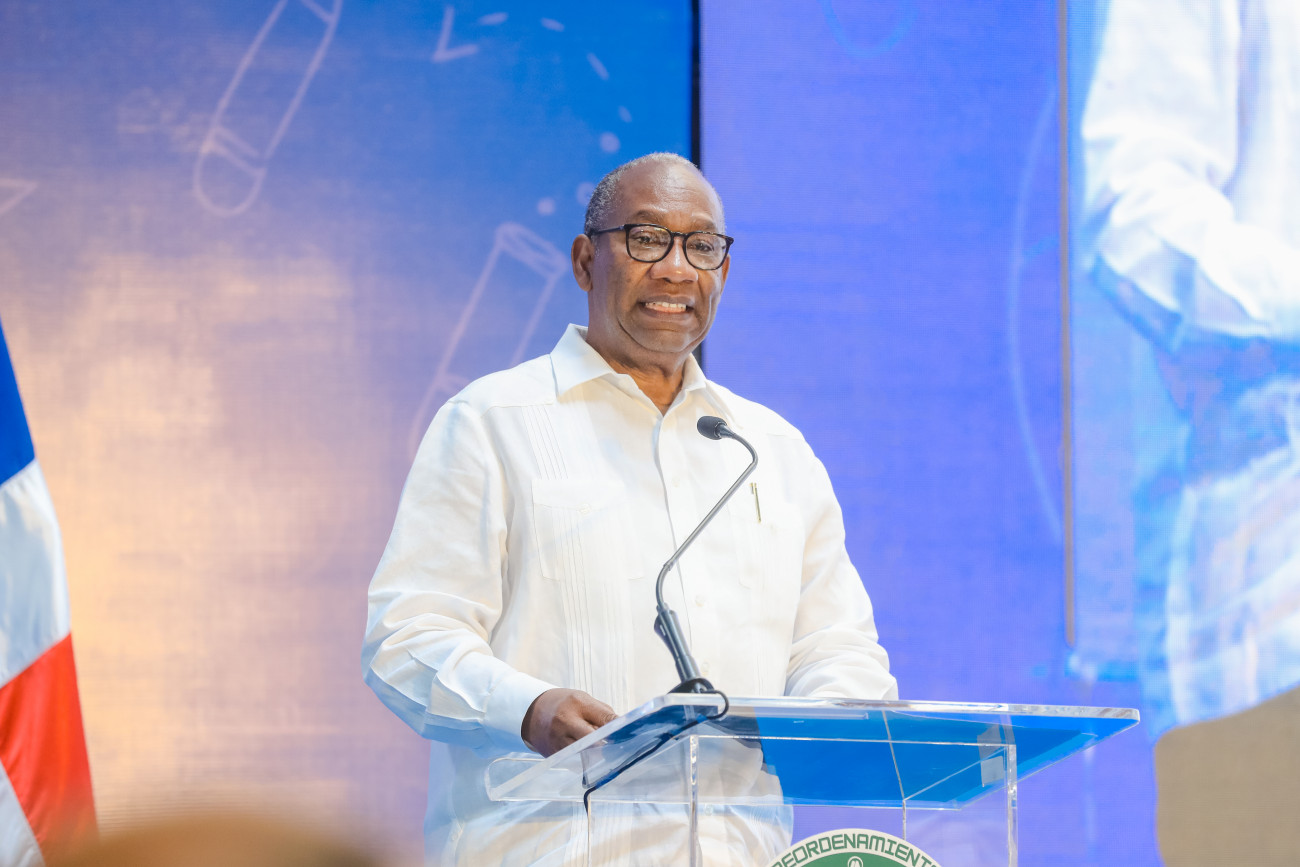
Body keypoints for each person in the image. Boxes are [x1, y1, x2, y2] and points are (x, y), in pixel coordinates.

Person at [362, 152, 896, 865]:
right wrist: (528, 708)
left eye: (702, 246)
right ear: (586, 261)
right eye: (647, 240)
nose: (676, 269)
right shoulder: (492, 421)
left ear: (724, 271)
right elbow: (407, 637)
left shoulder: (770, 449)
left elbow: (836, 645)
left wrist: (830, 723)